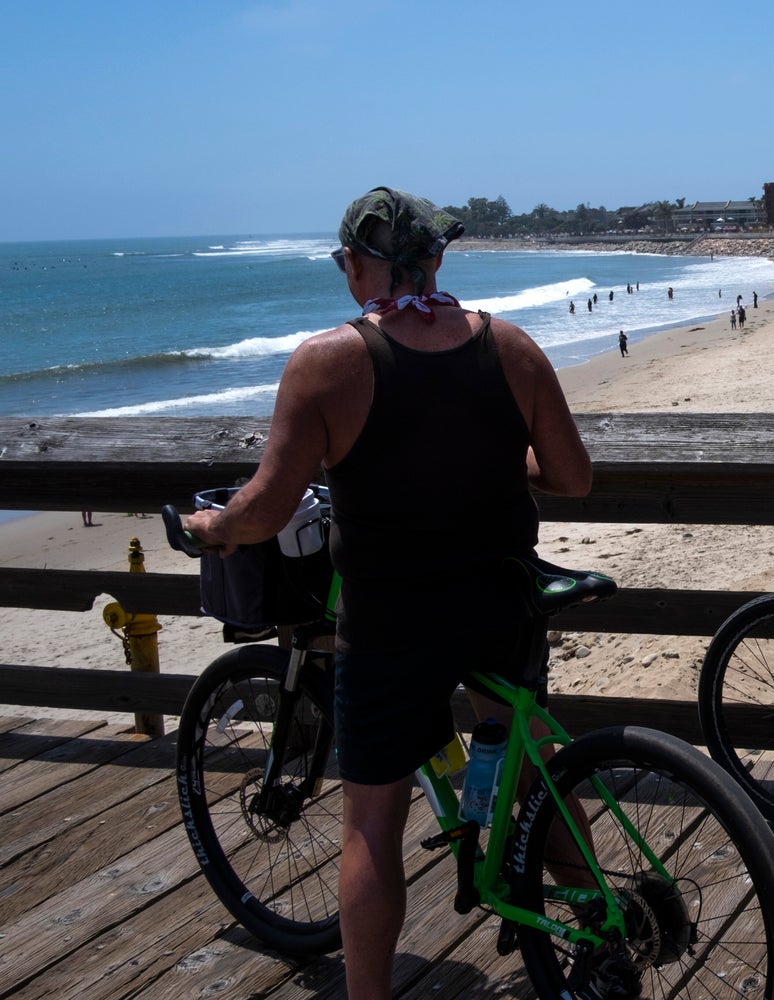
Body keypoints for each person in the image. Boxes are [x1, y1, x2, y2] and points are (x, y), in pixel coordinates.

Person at [179, 187, 592, 999]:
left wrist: (213, 529)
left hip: (393, 622)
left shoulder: (327, 363)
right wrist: (499, 465)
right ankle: (598, 926)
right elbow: (573, 477)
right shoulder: (512, 348)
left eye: (345, 262)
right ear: (435, 258)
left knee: (373, 822)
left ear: (360, 265)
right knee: (534, 770)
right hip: (503, 603)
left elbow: (266, 507)